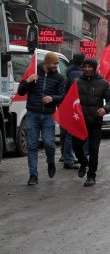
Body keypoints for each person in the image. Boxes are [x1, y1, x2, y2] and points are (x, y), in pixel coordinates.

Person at [17, 52, 65, 186]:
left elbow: (62, 96)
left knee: (49, 143)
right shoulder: (33, 73)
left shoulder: (59, 78)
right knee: (32, 145)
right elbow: (20, 92)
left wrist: (53, 98)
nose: (56, 66)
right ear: (47, 63)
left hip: (48, 115)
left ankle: (50, 162)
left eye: (57, 63)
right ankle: (33, 175)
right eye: (54, 63)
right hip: (32, 114)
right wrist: (28, 81)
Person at [73, 58, 110, 187]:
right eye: (84, 66)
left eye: (89, 67)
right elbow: (69, 98)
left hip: (95, 122)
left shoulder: (103, 83)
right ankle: (83, 162)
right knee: (77, 147)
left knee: (94, 150)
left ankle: (91, 176)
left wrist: (105, 108)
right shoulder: (77, 82)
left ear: (94, 68)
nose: (86, 69)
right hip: (80, 121)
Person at [60, 53, 85, 170]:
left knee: (66, 133)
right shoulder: (77, 74)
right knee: (71, 133)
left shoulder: (69, 71)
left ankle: (67, 156)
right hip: (75, 106)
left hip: (67, 104)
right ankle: (69, 159)